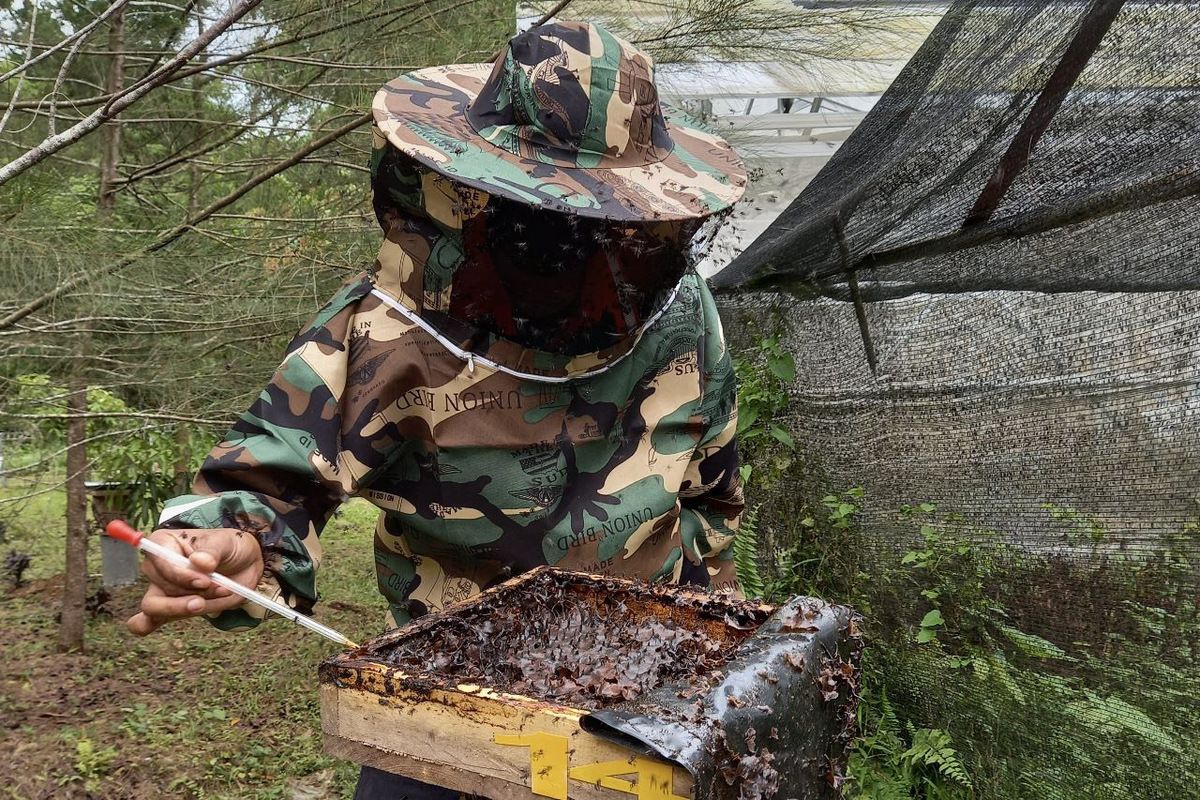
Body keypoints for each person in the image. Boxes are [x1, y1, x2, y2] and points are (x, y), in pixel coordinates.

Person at [126, 20, 748, 800]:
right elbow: (275, 480)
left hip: (647, 701)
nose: (579, 250)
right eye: (545, 226)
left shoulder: (685, 315)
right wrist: (234, 542)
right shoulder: (385, 329)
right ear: (468, 199)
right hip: (450, 699)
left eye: (613, 229)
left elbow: (711, 491)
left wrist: (705, 648)